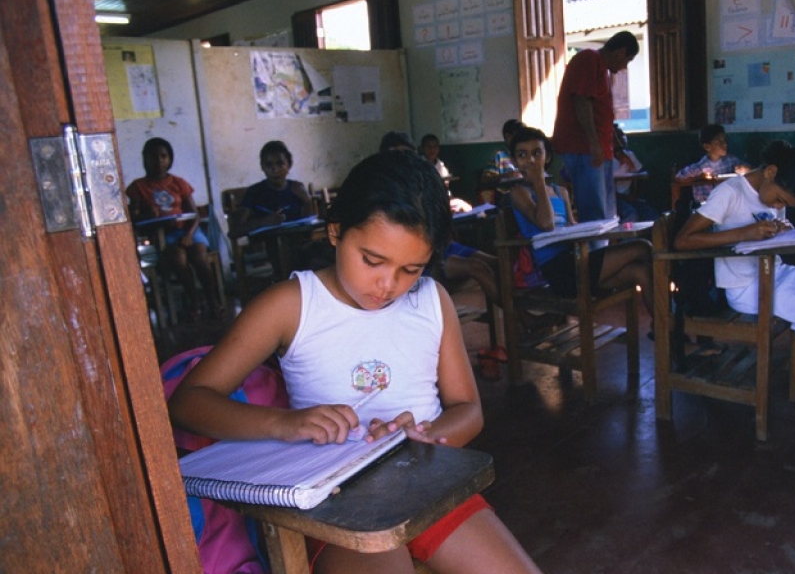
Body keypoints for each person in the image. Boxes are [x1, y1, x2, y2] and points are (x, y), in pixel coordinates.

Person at [167, 150, 543, 574]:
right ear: (335, 232)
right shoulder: (292, 305)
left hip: (429, 487)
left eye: (410, 269)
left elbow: (468, 410)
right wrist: (285, 423)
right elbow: (189, 401)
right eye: (372, 261)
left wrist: (425, 440)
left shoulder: (431, 300)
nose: (388, 285)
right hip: (337, 503)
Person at [672, 140, 795, 458]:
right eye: (780, 198)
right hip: (746, 288)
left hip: (776, 274)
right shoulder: (730, 192)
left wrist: (783, 231)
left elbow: (766, 233)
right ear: (770, 172)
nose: (780, 204)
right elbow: (683, 240)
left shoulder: (771, 190)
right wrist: (744, 233)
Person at [508, 126, 655, 336]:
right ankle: (681, 302)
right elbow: (547, 224)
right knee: (642, 247)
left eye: (537, 153)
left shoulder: (561, 192)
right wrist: (539, 180)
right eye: (522, 155)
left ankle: (664, 328)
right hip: (559, 273)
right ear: (514, 161)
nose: (530, 160)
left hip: (577, 262)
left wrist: (597, 229)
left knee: (642, 271)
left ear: (547, 157)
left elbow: (572, 229)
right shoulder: (520, 192)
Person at [380, 132, 505, 375]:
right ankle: (518, 321)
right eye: (394, 156)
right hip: (423, 260)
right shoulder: (385, 194)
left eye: (406, 155)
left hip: (443, 247)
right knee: (478, 268)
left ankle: (510, 329)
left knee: (496, 262)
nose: (402, 162)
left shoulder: (422, 185)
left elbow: (439, 221)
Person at [126, 137, 223, 321]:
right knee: (179, 259)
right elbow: (134, 217)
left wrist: (189, 234)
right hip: (164, 237)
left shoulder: (179, 183)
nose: (159, 161)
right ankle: (195, 299)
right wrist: (147, 215)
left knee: (200, 257)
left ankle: (213, 300)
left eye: (164, 156)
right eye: (153, 157)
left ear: (170, 159)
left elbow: (194, 214)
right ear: (145, 159)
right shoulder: (138, 187)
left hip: (189, 231)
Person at [551, 31, 639, 224]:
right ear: (620, 52)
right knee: (594, 211)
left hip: (598, 150)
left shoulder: (603, 70)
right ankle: (595, 254)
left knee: (607, 213)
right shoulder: (589, 58)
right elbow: (581, 101)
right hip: (583, 148)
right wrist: (593, 142)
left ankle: (604, 252)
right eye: (628, 60)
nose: (625, 67)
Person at [229, 140, 314, 238]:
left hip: (298, 246)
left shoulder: (297, 189)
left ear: (289, 165)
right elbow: (234, 231)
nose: (275, 170)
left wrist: (307, 202)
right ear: (262, 167)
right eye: (269, 165)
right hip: (269, 249)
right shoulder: (254, 192)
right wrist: (264, 222)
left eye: (280, 163)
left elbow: (309, 232)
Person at [674, 123, 749, 208]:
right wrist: (698, 176)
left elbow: (749, 169)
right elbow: (679, 177)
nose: (724, 144)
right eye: (719, 142)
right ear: (707, 147)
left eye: (724, 140)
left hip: (727, 203)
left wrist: (744, 169)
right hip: (707, 206)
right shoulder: (702, 165)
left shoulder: (730, 160)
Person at [612, 124, 657, 223]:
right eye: (618, 137)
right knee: (631, 215)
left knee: (651, 215)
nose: (623, 139)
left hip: (630, 197)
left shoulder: (629, 155)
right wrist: (626, 198)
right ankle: (628, 239)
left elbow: (640, 174)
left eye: (623, 135)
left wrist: (634, 195)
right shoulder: (606, 161)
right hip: (614, 200)